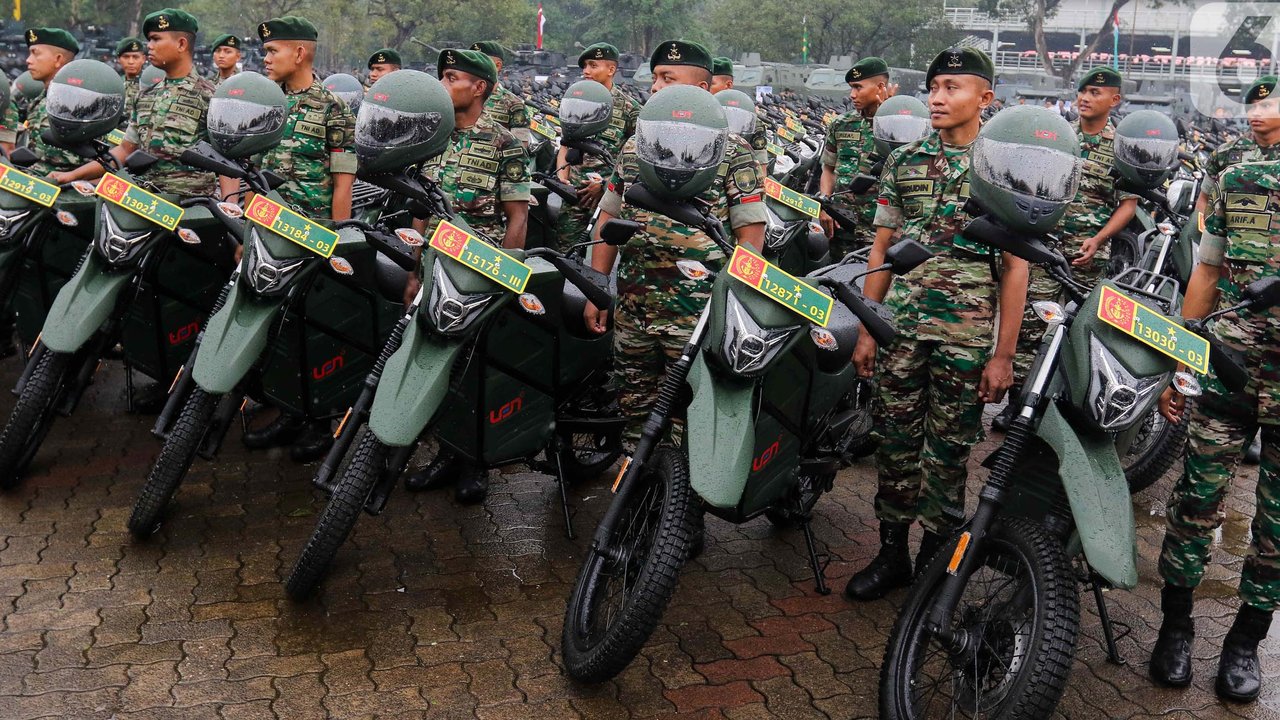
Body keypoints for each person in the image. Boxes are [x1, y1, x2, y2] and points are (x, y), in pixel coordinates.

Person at [844, 47, 1027, 601]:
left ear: (985, 97)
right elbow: (881, 247)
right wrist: (868, 326)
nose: (938, 98)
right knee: (895, 441)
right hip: (901, 327)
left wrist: (1003, 355)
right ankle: (891, 553)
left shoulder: (1004, 167)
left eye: (953, 87)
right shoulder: (905, 161)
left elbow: (1015, 267)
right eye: (933, 88)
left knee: (948, 450)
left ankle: (934, 556)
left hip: (965, 336)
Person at [1149, 74, 1280, 705]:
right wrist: (1181, 363)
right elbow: (1205, 272)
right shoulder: (1238, 178)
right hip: (1228, 368)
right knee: (1195, 502)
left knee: (1277, 527)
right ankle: (1175, 629)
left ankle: (1245, 642)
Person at [583, 40, 767, 446]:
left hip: (697, 316)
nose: (655, 87)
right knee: (634, 410)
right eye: (655, 78)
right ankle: (635, 477)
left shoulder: (734, 152)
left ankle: (678, 485)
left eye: (667, 78)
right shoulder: (635, 146)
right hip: (635, 308)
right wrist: (597, 290)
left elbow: (751, 240)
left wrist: (734, 313)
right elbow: (607, 222)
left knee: (688, 419)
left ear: (700, 91)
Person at [402, 48, 531, 503]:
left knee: (475, 369)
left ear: (479, 87)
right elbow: (421, 208)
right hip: (435, 269)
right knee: (437, 363)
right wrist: (413, 270)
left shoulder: (504, 143)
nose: (442, 84)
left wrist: (505, 279)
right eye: (441, 75)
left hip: (479, 277)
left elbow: (517, 216)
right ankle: (445, 452)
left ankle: (475, 460)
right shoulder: (432, 136)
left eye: (451, 77)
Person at [239, 15, 358, 463]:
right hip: (269, 232)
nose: (265, 58)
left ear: (300, 52)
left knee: (314, 330)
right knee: (278, 329)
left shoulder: (333, 108)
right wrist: (246, 228)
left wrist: (337, 241)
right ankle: (289, 409)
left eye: (272, 51)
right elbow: (251, 171)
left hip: (313, 236)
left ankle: (319, 420)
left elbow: (343, 182)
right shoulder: (264, 101)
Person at [997, 66, 1137, 432]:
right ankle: (1018, 407)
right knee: (1032, 326)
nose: (1085, 98)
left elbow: (1127, 205)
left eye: (1095, 93)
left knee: (1081, 335)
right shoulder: (1059, 137)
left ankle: (1065, 411)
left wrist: (1099, 239)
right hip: (1045, 250)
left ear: (1115, 99)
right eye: (1083, 91)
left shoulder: (1121, 148)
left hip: (1089, 255)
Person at [51, 9, 216, 197]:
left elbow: (227, 161)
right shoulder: (145, 95)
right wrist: (72, 175)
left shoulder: (209, 96)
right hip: (144, 201)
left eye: (156, 39)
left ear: (181, 44)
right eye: (149, 40)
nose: (149, 46)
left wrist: (231, 207)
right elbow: (125, 150)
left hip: (192, 204)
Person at [553, 42, 639, 250]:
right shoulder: (576, 101)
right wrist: (563, 178)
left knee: (602, 253)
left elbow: (635, 160)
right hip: (575, 195)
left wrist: (606, 185)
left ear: (611, 69)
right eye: (584, 66)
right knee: (565, 253)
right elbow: (565, 143)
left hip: (607, 196)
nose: (586, 71)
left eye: (593, 65)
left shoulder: (629, 109)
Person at [819, 56, 895, 258]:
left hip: (881, 231)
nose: (852, 94)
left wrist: (887, 113)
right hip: (843, 227)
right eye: (851, 88)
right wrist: (824, 205)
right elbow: (828, 169)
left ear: (880, 87)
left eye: (858, 87)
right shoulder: (841, 124)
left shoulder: (897, 126)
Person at [20, 28, 83, 179]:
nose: (28, 60)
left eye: (35, 53)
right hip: (33, 183)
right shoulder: (40, 98)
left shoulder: (80, 103)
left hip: (64, 187)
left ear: (58, 59)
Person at [469, 41, 533, 149]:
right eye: (471, 62)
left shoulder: (514, 105)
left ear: (497, 66)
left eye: (480, 62)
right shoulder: (460, 97)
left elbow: (519, 150)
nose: (472, 67)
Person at [116, 37, 146, 116]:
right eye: (126, 57)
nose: (131, 62)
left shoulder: (149, 84)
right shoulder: (115, 83)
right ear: (118, 59)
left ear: (143, 59)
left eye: (135, 57)